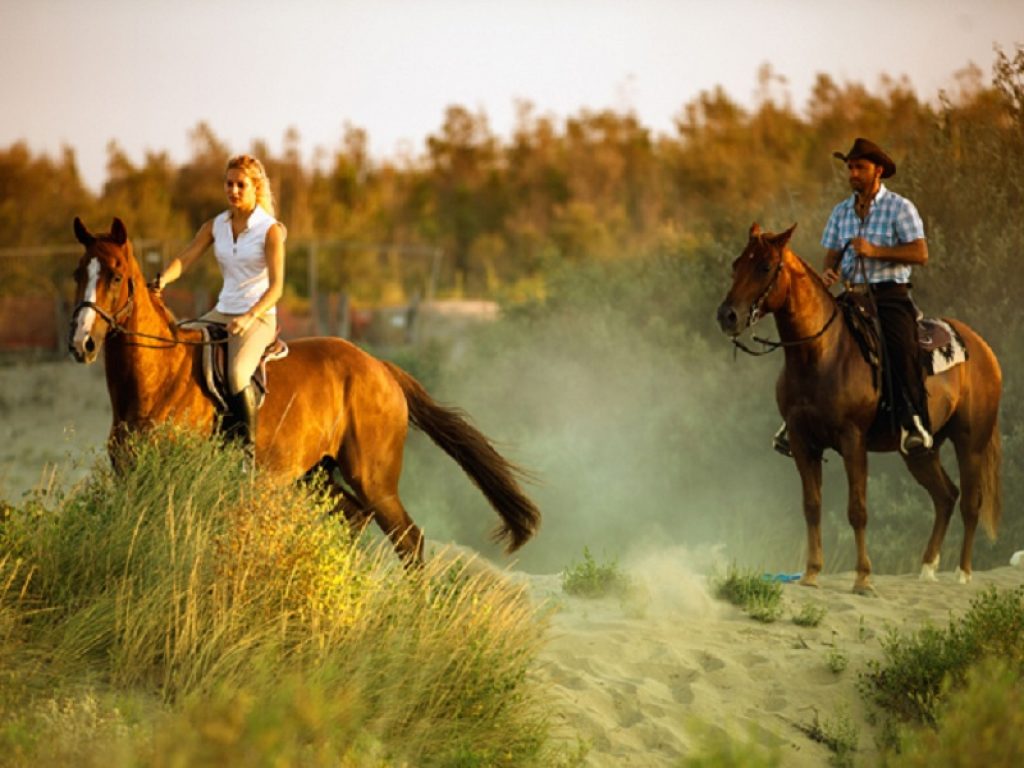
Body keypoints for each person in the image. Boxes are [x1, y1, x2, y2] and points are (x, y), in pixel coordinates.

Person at [773, 137, 932, 457]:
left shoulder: (899, 207)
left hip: (889, 295)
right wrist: (829, 272)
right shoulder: (841, 212)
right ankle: (796, 417)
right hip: (851, 294)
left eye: (859, 167)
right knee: (812, 340)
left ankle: (914, 421)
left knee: (900, 346)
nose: (853, 174)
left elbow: (920, 253)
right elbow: (832, 255)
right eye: (850, 168)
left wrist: (875, 251)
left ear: (878, 170)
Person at [152, 154, 286, 454]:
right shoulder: (217, 225)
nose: (233, 190)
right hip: (222, 310)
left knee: (237, 374)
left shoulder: (270, 230)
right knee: (178, 342)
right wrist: (161, 280)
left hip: (259, 316)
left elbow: (277, 288)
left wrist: (249, 317)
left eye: (241, 185)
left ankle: (246, 451)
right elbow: (185, 259)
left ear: (255, 187)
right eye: (229, 184)